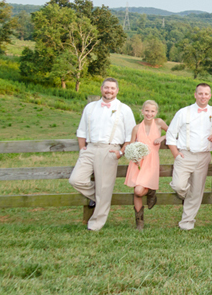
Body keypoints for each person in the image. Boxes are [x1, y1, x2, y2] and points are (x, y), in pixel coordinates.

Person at [69, 77, 136, 231]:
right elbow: (81, 130)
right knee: (76, 179)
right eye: (106, 87)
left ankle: (95, 225)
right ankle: (101, 198)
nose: (109, 91)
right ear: (101, 89)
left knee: (104, 187)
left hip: (110, 149)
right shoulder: (90, 107)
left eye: (112, 88)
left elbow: (131, 135)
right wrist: (82, 149)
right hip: (90, 148)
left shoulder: (124, 109)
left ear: (117, 91)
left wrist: (120, 152)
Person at [166, 83, 212, 230]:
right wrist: (176, 154)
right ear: (195, 95)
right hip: (185, 154)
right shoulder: (183, 112)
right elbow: (170, 134)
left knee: (197, 191)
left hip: (204, 156)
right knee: (178, 185)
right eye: (200, 93)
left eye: (206, 94)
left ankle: (187, 223)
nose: (203, 96)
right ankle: (187, 195)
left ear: (210, 95)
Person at [122, 100, 169, 231]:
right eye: (147, 110)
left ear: (156, 112)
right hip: (138, 162)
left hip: (152, 160)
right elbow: (131, 145)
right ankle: (139, 223)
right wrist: (134, 157)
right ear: (142, 111)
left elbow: (172, 132)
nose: (149, 113)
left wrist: (162, 138)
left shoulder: (159, 123)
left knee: (139, 190)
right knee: (136, 192)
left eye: (152, 111)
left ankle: (151, 190)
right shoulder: (136, 128)